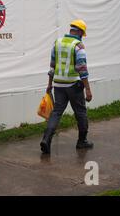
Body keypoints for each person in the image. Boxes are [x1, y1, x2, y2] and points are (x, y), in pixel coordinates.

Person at [40, 19, 93, 154]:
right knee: (80, 112)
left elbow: (52, 66)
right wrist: (87, 89)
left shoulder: (57, 43)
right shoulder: (78, 46)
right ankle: (82, 141)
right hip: (74, 85)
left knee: (56, 112)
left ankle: (46, 139)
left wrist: (49, 85)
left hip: (58, 85)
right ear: (80, 32)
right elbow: (82, 68)